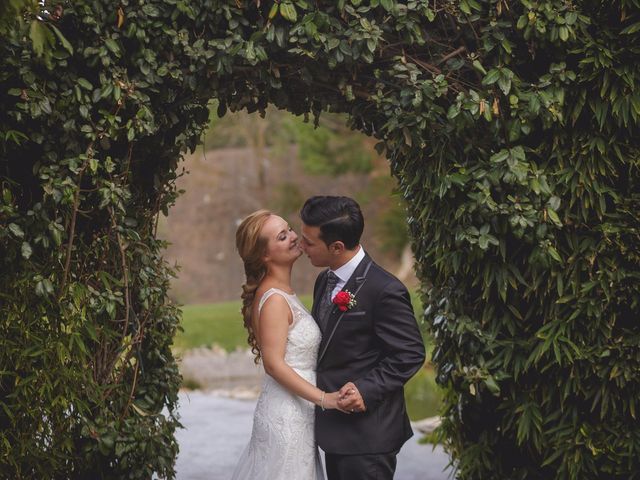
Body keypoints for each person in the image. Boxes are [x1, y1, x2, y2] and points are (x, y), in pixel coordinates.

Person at [299, 196, 426, 480]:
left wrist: (366, 390)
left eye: (308, 241)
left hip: (368, 435)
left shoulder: (385, 290)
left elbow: (410, 353)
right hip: (335, 428)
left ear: (336, 247)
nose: (301, 246)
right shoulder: (325, 280)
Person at [231, 210, 344, 480]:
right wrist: (325, 399)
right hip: (287, 415)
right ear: (264, 256)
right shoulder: (274, 300)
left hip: (298, 409)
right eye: (283, 237)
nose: (294, 237)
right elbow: (273, 364)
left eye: (289, 229)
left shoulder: (283, 293)